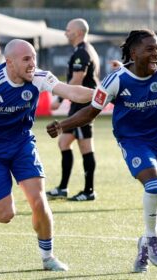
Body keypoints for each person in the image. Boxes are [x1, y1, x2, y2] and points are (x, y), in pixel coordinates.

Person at [46, 30, 157, 273]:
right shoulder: (115, 79)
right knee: (154, 185)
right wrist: (62, 124)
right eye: (150, 49)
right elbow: (90, 112)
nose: (156, 54)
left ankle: (145, 243)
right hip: (133, 140)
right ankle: (152, 238)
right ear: (133, 52)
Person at [0, 39, 94, 272]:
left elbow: (71, 91)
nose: (32, 63)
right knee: (5, 214)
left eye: (34, 57)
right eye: (26, 59)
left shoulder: (39, 77)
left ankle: (48, 257)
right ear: (9, 62)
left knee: (39, 201)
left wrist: (104, 95)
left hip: (22, 144)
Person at [46, 18, 100, 202]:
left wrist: (59, 98)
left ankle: (89, 191)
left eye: (68, 29)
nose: (65, 32)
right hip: (80, 104)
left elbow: (78, 79)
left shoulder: (82, 52)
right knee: (64, 143)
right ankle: (62, 188)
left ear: (77, 32)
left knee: (85, 147)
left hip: (83, 107)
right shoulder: (86, 49)